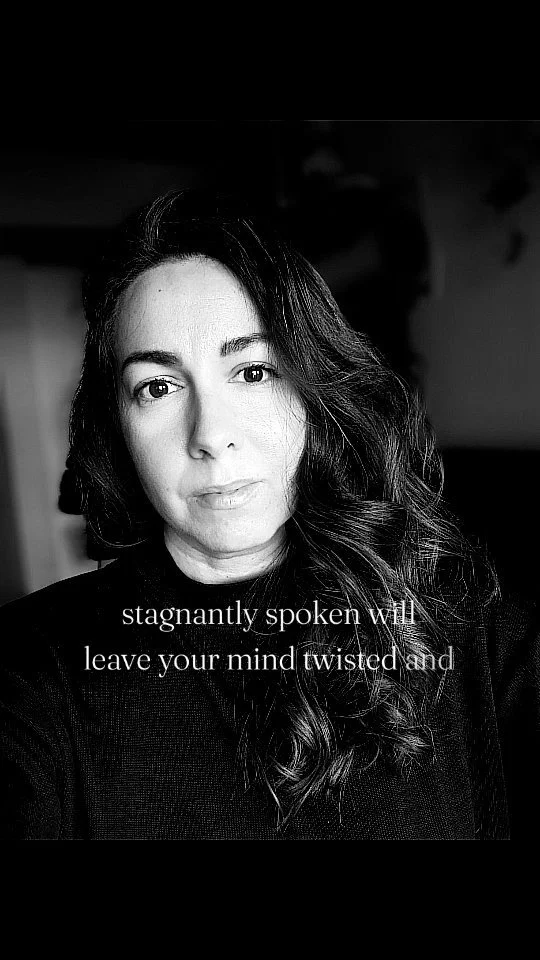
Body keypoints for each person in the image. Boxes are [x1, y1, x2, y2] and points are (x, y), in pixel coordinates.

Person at [1, 190, 538, 840]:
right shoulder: (32, 669)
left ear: (313, 393)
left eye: (253, 372)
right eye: (158, 387)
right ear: (117, 427)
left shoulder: (475, 634)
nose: (210, 434)